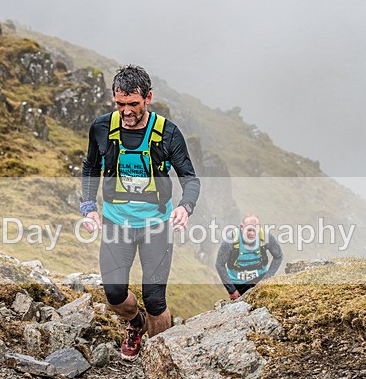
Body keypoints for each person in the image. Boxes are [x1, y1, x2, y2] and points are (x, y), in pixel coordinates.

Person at [80, 65, 201, 360]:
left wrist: (185, 207)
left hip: (156, 225)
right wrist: (88, 207)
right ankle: (136, 324)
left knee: (155, 299)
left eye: (133, 104)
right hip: (116, 222)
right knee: (113, 294)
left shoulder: (167, 133)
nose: (126, 111)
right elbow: (90, 168)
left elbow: (190, 178)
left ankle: (160, 360)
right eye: (120, 104)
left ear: (147, 98)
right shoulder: (101, 128)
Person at [216, 214, 283, 300]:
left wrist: (266, 279)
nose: (252, 234)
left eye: (255, 230)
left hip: (260, 280)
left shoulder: (266, 237)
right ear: (241, 227)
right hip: (238, 284)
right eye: (249, 230)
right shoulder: (231, 238)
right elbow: (219, 264)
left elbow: (278, 256)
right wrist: (231, 290)